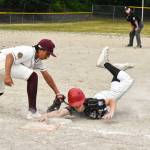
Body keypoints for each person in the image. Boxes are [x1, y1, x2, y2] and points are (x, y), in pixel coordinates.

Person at [39, 47, 134, 121]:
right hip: (103, 97)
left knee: (128, 81)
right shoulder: (73, 108)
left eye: (79, 105)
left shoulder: (93, 103)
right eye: (75, 105)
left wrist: (111, 113)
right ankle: (119, 70)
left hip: (105, 96)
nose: (77, 108)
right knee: (117, 85)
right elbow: (58, 113)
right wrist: (46, 115)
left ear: (83, 101)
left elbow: (111, 100)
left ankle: (105, 64)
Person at [0, 39, 65, 119]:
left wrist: (57, 93)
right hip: (3, 61)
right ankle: (32, 111)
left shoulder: (38, 60)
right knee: (33, 76)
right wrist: (7, 76)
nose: (48, 57)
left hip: (4, 64)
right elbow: (9, 56)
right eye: (47, 53)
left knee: (0, 91)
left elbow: (47, 76)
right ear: (40, 49)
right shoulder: (29, 51)